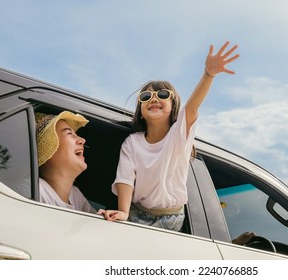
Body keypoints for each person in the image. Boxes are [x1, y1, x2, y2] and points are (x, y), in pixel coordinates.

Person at [99, 41, 239, 231]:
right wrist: (123, 212)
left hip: (170, 218)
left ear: (174, 107)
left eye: (163, 94)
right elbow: (125, 179)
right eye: (146, 97)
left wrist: (208, 74)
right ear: (140, 110)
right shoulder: (132, 143)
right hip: (137, 212)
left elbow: (192, 107)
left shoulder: (178, 135)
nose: (154, 98)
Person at [36, 111, 97, 213]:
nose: (82, 140)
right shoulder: (34, 189)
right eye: (69, 133)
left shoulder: (76, 195)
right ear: (50, 150)